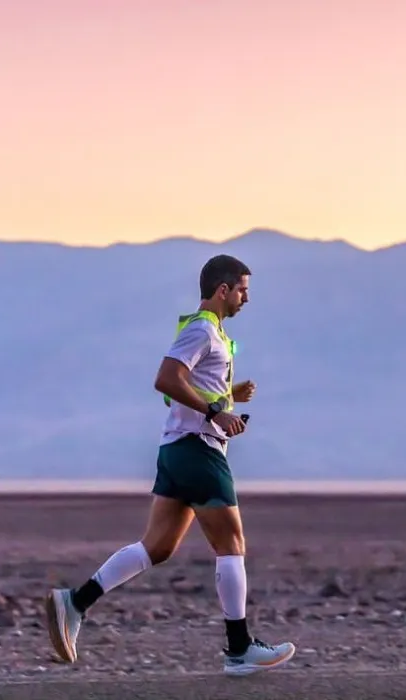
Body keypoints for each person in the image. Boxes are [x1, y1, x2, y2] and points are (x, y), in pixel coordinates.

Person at [44, 254, 296, 677]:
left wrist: (229, 393)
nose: (246, 299)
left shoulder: (211, 333)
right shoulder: (201, 329)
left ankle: (75, 602)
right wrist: (217, 410)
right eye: (243, 291)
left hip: (177, 451)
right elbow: (166, 380)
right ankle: (238, 650)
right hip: (199, 450)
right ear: (223, 290)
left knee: (156, 547)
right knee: (231, 544)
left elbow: (183, 387)